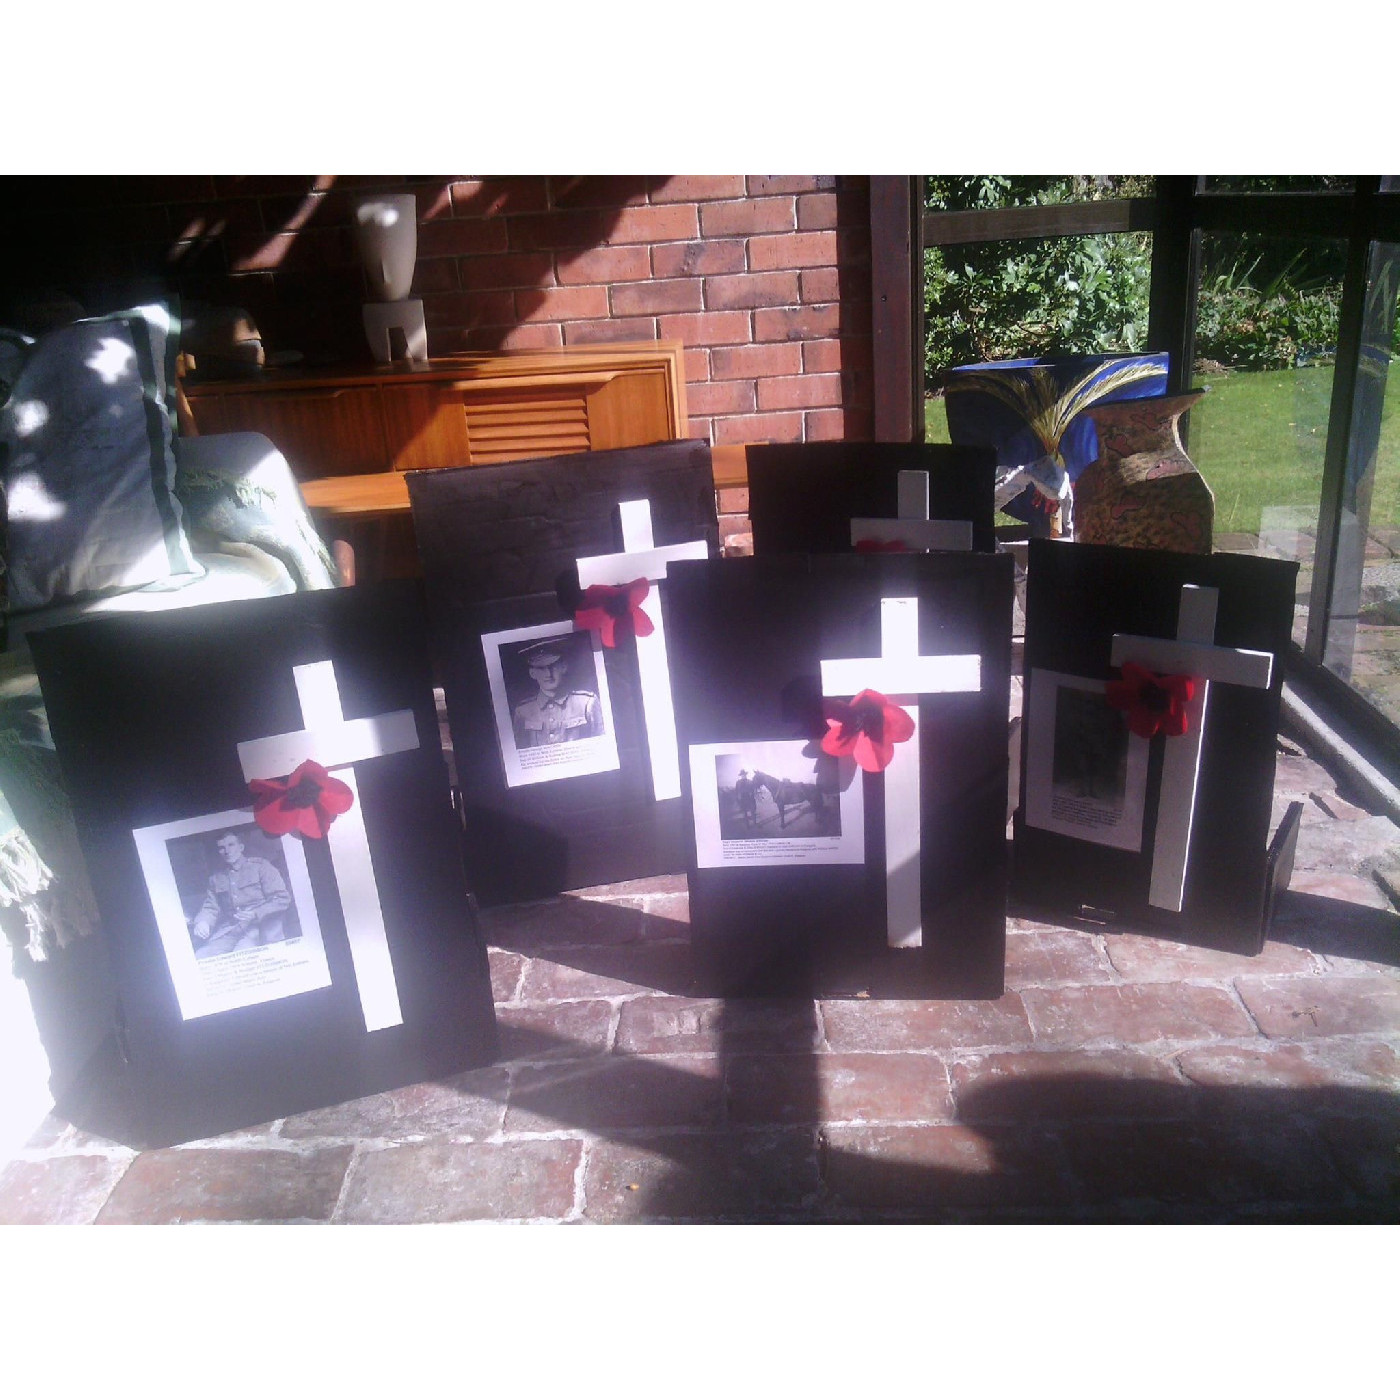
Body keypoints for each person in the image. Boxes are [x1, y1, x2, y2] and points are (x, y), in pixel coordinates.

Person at [189, 830, 292, 956]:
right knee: (201, 955)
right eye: (222, 848)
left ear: (241, 847)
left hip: (260, 927)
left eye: (231, 845)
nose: (227, 851)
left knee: (241, 954)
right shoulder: (216, 878)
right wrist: (202, 922)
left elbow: (282, 899)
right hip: (231, 929)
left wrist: (255, 913)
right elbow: (211, 907)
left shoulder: (261, 866)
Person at [511, 639, 604, 748]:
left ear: (563, 667)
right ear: (532, 673)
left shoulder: (586, 704)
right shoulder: (523, 711)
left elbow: (602, 746)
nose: (548, 674)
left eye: (553, 667)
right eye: (541, 668)